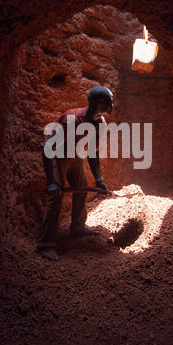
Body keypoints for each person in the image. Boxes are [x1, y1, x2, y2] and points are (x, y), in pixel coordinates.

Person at [38, 85, 114, 260]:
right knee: (56, 195)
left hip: (74, 154)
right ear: (99, 103)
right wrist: (51, 181)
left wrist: (99, 179)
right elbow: (47, 148)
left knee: (82, 189)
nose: (111, 105)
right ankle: (45, 244)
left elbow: (93, 152)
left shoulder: (100, 123)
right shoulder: (72, 120)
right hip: (56, 155)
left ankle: (78, 227)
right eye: (108, 101)